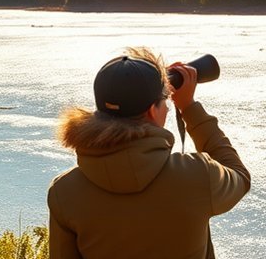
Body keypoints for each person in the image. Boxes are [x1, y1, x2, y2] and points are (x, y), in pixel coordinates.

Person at [47, 48, 251, 258]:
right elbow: (239, 175)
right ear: (153, 111)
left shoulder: (64, 193)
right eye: (164, 101)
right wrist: (189, 107)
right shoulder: (198, 175)